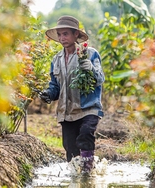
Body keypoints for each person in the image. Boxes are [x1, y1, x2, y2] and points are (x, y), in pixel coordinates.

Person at [40, 15, 105, 174]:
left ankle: (88, 174)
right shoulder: (56, 59)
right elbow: (55, 86)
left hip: (88, 108)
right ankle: (78, 176)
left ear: (76, 34)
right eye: (60, 34)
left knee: (85, 135)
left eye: (66, 34)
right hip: (67, 112)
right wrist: (49, 93)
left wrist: (90, 68)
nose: (62, 38)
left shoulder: (89, 54)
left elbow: (100, 79)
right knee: (70, 149)